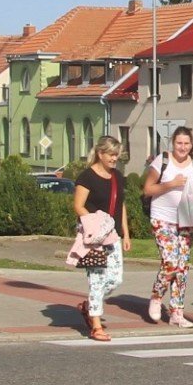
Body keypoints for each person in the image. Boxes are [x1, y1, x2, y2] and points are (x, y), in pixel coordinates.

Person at [142, 126, 193, 328]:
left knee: (182, 268)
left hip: (186, 220)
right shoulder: (162, 160)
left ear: (192, 144)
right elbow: (148, 189)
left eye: (186, 143)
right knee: (170, 262)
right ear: (173, 143)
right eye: (179, 143)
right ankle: (156, 296)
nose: (183, 147)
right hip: (163, 218)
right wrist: (171, 183)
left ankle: (176, 312)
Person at [70, 135, 131, 342]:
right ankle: (96, 325)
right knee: (97, 280)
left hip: (112, 236)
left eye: (117, 155)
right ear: (100, 154)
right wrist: (93, 224)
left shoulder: (117, 177)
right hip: (94, 236)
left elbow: (121, 205)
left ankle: (89, 306)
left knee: (115, 279)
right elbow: (78, 205)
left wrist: (126, 233)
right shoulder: (87, 177)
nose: (115, 159)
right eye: (111, 155)